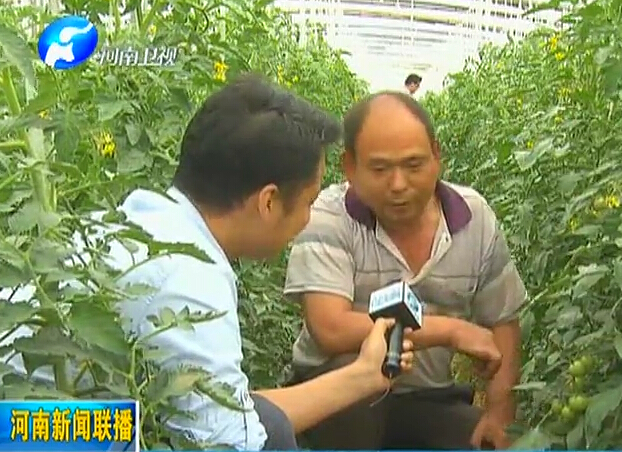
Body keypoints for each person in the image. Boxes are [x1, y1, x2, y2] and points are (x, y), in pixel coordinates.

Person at [1, 75, 416, 451]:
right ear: (268, 202)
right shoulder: (188, 280)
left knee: (267, 422)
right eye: (309, 202)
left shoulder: (143, 220)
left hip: (45, 427)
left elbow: (235, 414)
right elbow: (233, 443)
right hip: (35, 437)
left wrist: (364, 375)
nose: (308, 219)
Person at [283, 91, 526, 450]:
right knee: (355, 374)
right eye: (380, 169)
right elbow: (331, 329)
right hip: (338, 395)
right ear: (350, 166)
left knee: (485, 441)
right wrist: (450, 330)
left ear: (437, 157)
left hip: (426, 398)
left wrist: (500, 408)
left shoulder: (474, 218)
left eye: (413, 165)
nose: (398, 184)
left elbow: (503, 318)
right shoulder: (329, 217)